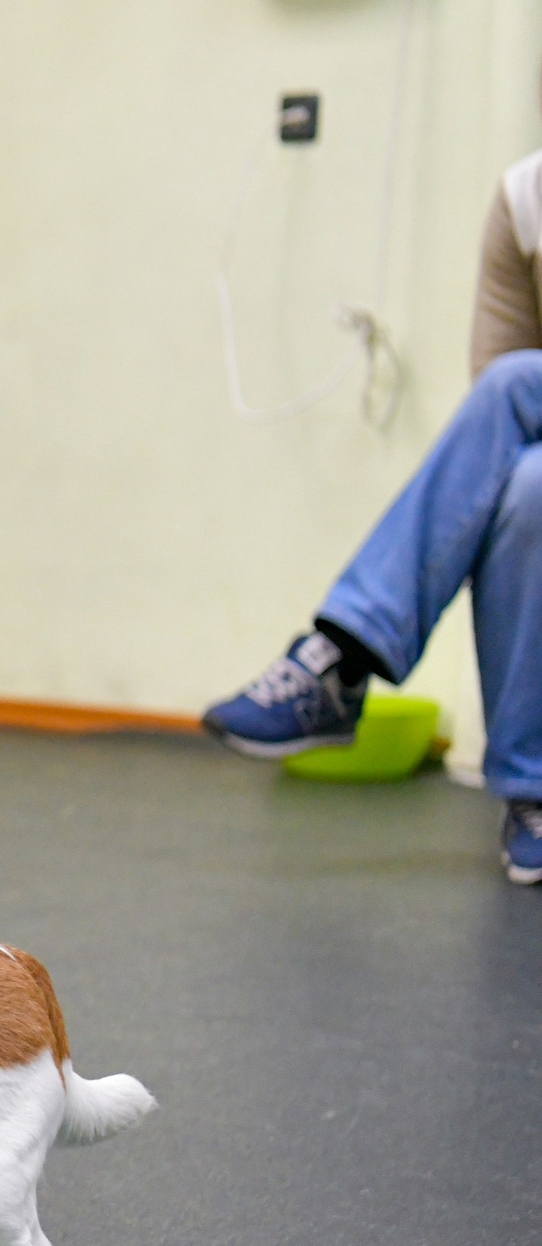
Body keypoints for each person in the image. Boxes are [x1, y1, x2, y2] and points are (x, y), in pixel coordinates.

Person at [205, 141, 542, 884]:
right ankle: (535, 794)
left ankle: (340, 659)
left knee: (523, 382)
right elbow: (493, 412)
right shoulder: (526, 196)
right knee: (526, 487)